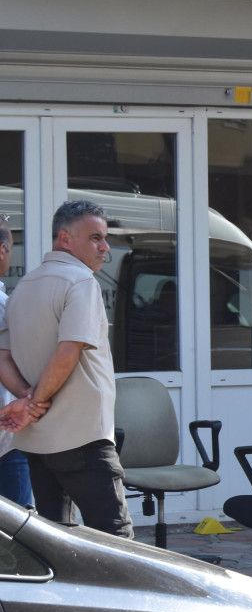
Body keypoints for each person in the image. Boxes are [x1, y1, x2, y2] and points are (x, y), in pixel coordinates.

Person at [0, 200, 134, 537]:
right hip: (82, 437)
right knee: (117, 540)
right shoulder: (80, 282)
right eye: (95, 237)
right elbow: (69, 350)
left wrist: (27, 400)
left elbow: (3, 357)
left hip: (37, 441)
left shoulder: (23, 286)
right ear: (65, 238)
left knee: (56, 542)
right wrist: (33, 402)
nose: (105, 247)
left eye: (105, 238)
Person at [0, 219, 32, 507]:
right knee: (17, 527)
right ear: (2, 251)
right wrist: (31, 398)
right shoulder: (3, 305)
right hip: (7, 435)